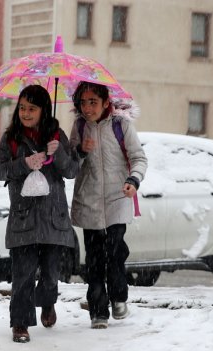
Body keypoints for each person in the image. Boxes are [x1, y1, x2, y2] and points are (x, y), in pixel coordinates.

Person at [0, 84, 79, 343]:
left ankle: (48, 302)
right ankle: (20, 323)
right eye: (22, 108)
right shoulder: (11, 138)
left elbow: (72, 170)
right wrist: (23, 164)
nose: (26, 113)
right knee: (23, 275)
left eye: (32, 108)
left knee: (52, 274)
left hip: (54, 217)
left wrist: (59, 152)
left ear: (44, 110)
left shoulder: (56, 134)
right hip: (24, 218)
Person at [69, 81, 147, 329]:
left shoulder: (120, 125)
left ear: (106, 102)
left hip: (117, 198)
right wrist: (80, 151)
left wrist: (133, 179)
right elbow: (70, 166)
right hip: (89, 200)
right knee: (94, 258)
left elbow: (138, 158)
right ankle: (98, 310)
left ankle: (119, 296)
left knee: (115, 253)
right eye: (83, 102)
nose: (87, 107)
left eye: (93, 101)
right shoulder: (80, 126)